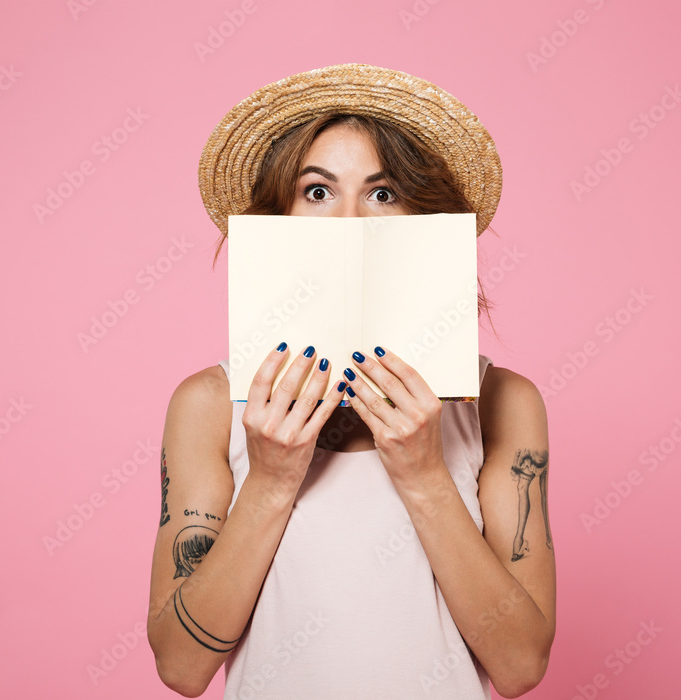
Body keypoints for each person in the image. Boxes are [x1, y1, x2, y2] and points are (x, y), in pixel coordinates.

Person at [147, 64, 555, 699]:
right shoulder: (208, 405)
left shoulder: (503, 403)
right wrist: (272, 479)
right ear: (275, 214)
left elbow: (521, 665)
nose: (349, 222)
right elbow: (180, 666)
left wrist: (424, 476)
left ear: (425, 218)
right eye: (317, 191)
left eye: (383, 193)